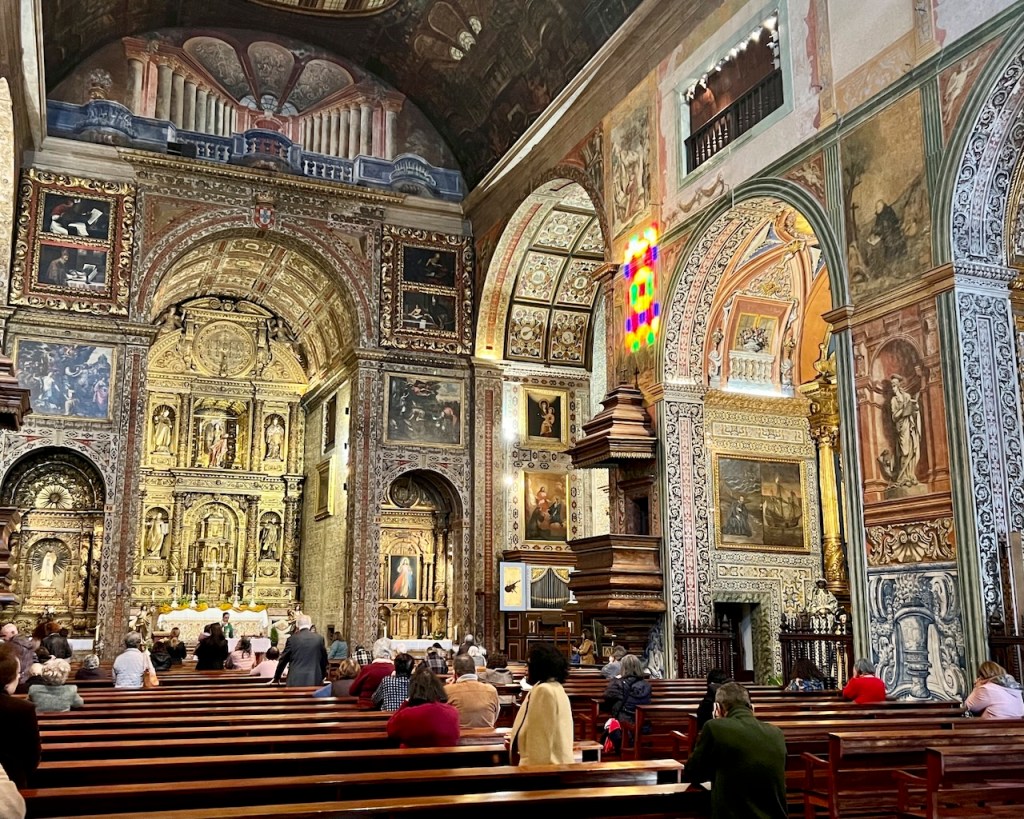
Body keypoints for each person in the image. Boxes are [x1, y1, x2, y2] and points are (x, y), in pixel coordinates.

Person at [683, 682, 787, 819]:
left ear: (717, 708)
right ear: (752, 708)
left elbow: (693, 773)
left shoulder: (714, 727)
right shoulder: (776, 733)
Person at [508, 642, 573, 766]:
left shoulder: (544, 691)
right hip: (558, 766)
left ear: (539, 666)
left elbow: (539, 741)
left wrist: (534, 772)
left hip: (546, 769)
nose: (526, 668)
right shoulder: (556, 687)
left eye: (528, 664)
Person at [386, 663, 461, 748]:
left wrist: (406, 702)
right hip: (447, 756)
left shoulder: (407, 714)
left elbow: (391, 730)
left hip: (413, 755)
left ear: (413, 688)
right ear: (438, 687)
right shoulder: (452, 712)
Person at [0, 646, 41, 789]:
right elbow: (32, 756)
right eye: (18, 673)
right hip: (11, 781)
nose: (19, 677)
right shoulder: (22, 709)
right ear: (7, 679)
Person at [444, 654, 500, 728]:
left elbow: (443, 718)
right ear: (475, 671)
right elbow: (495, 715)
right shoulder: (491, 690)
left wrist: (449, 687)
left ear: (454, 674)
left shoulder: (447, 690)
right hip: (487, 734)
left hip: (459, 734)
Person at [273, 614, 327, 686]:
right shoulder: (319, 639)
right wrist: (323, 675)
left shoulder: (292, 639)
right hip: (314, 678)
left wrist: (277, 676)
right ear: (310, 624)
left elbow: (283, 660)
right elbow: (323, 660)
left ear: (297, 625)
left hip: (295, 679)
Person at [350, 639, 396, 709]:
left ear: (374, 651)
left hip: (366, 707)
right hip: (388, 708)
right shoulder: (395, 669)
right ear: (391, 652)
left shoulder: (367, 669)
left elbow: (353, 691)